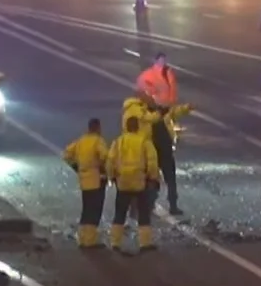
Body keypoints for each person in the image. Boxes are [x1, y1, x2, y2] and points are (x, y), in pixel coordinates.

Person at [136, 54, 188, 215]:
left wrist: (185, 108)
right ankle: (148, 206)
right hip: (153, 148)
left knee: (167, 176)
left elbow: (171, 113)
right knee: (153, 178)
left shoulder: (159, 110)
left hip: (163, 147)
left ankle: (171, 204)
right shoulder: (143, 112)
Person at [106, 114, 161, 254]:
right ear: (137, 127)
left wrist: (112, 177)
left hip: (123, 182)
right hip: (140, 182)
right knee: (143, 213)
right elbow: (152, 161)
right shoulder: (144, 141)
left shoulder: (118, 142)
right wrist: (153, 178)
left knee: (120, 213)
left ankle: (115, 243)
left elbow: (110, 161)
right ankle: (144, 243)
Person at [62, 117, 109, 248]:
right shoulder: (98, 141)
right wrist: (105, 169)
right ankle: (90, 240)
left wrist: (75, 167)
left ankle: (82, 238)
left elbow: (66, 154)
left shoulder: (81, 141)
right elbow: (105, 156)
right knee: (94, 210)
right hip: (96, 179)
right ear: (98, 128)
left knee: (86, 209)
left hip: (84, 179)